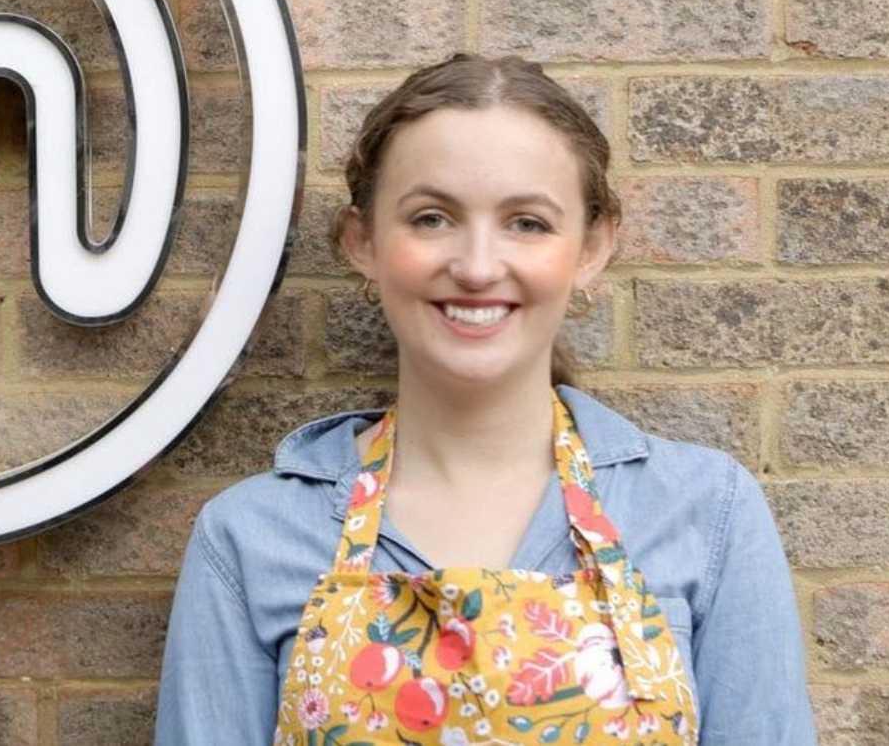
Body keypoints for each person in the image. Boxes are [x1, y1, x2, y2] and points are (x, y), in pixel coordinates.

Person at [155, 54, 814, 745]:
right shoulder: (249, 537)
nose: (475, 266)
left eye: (527, 222)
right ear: (363, 241)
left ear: (591, 246)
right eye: (432, 217)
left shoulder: (708, 513)